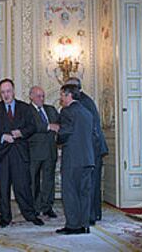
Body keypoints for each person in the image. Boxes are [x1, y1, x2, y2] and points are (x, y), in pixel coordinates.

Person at [0, 79, 43, 228]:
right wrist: (2, 136)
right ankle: (5, 218)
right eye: (3, 92)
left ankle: (30, 215)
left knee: (23, 187)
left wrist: (21, 133)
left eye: (8, 91)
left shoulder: (25, 108)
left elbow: (33, 126)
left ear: (14, 91)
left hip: (20, 154)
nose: (6, 95)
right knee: (3, 188)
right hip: (2, 155)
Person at [65, 77, 109, 224]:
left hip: (92, 149)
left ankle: (89, 216)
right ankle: (93, 214)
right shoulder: (86, 100)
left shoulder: (80, 103)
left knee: (88, 185)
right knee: (91, 184)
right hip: (93, 148)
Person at [56, 84, 94, 235]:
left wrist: (57, 136)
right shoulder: (87, 113)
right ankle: (84, 224)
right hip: (88, 159)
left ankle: (73, 225)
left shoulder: (67, 111)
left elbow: (64, 133)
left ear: (68, 95)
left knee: (70, 192)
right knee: (84, 193)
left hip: (73, 160)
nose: (61, 99)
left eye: (62, 95)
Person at [28, 86, 59, 218]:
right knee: (33, 181)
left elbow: (59, 124)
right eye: (38, 96)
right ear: (31, 96)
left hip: (50, 151)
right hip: (34, 151)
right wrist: (48, 127)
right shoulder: (26, 110)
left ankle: (47, 206)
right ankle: (34, 207)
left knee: (49, 180)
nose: (41, 98)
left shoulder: (51, 109)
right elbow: (30, 127)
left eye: (43, 96)